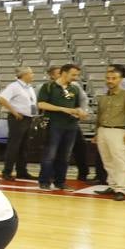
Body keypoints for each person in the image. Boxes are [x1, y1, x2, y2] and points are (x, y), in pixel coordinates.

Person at [93, 64, 125, 201]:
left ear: (121, 79)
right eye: (108, 78)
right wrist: (97, 133)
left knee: (120, 161)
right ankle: (113, 185)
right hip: (103, 130)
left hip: (119, 131)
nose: (110, 81)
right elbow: (99, 117)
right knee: (107, 161)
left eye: (114, 78)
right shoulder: (104, 97)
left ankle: (121, 189)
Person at [36, 63, 88, 191]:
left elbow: (77, 106)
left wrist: (80, 112)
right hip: (54, 125)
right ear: (64, 73)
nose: (76, 78)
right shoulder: (48, 87)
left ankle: (60, 181)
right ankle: (44, 181)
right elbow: (41, 104)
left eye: (77, 75)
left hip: (71, 126)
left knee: (65, 156)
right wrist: (63, 109)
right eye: (73, 75)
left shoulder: (74, 88)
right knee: (50, 154)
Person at [0, 66, 38, 181]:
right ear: (24, 75)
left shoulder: (29, 87)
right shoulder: (14, 86)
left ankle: (22, 171)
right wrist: (14, 111)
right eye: (31, 73)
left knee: (24, 146)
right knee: (14, 146)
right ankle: (7, 172)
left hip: (28, 118)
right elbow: (1, 99)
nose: (33, 75)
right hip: (18, 119)